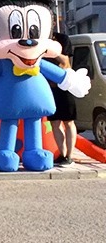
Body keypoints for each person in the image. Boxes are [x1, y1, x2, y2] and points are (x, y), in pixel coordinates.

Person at [48, 30, 77, 166]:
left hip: (64, 86)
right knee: (54, 122)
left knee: (68, 121)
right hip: (49, 88)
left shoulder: (62, 39)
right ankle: (62, 153)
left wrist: (49, 49)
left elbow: (65, 62)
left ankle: (70, 155)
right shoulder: (39, 40)